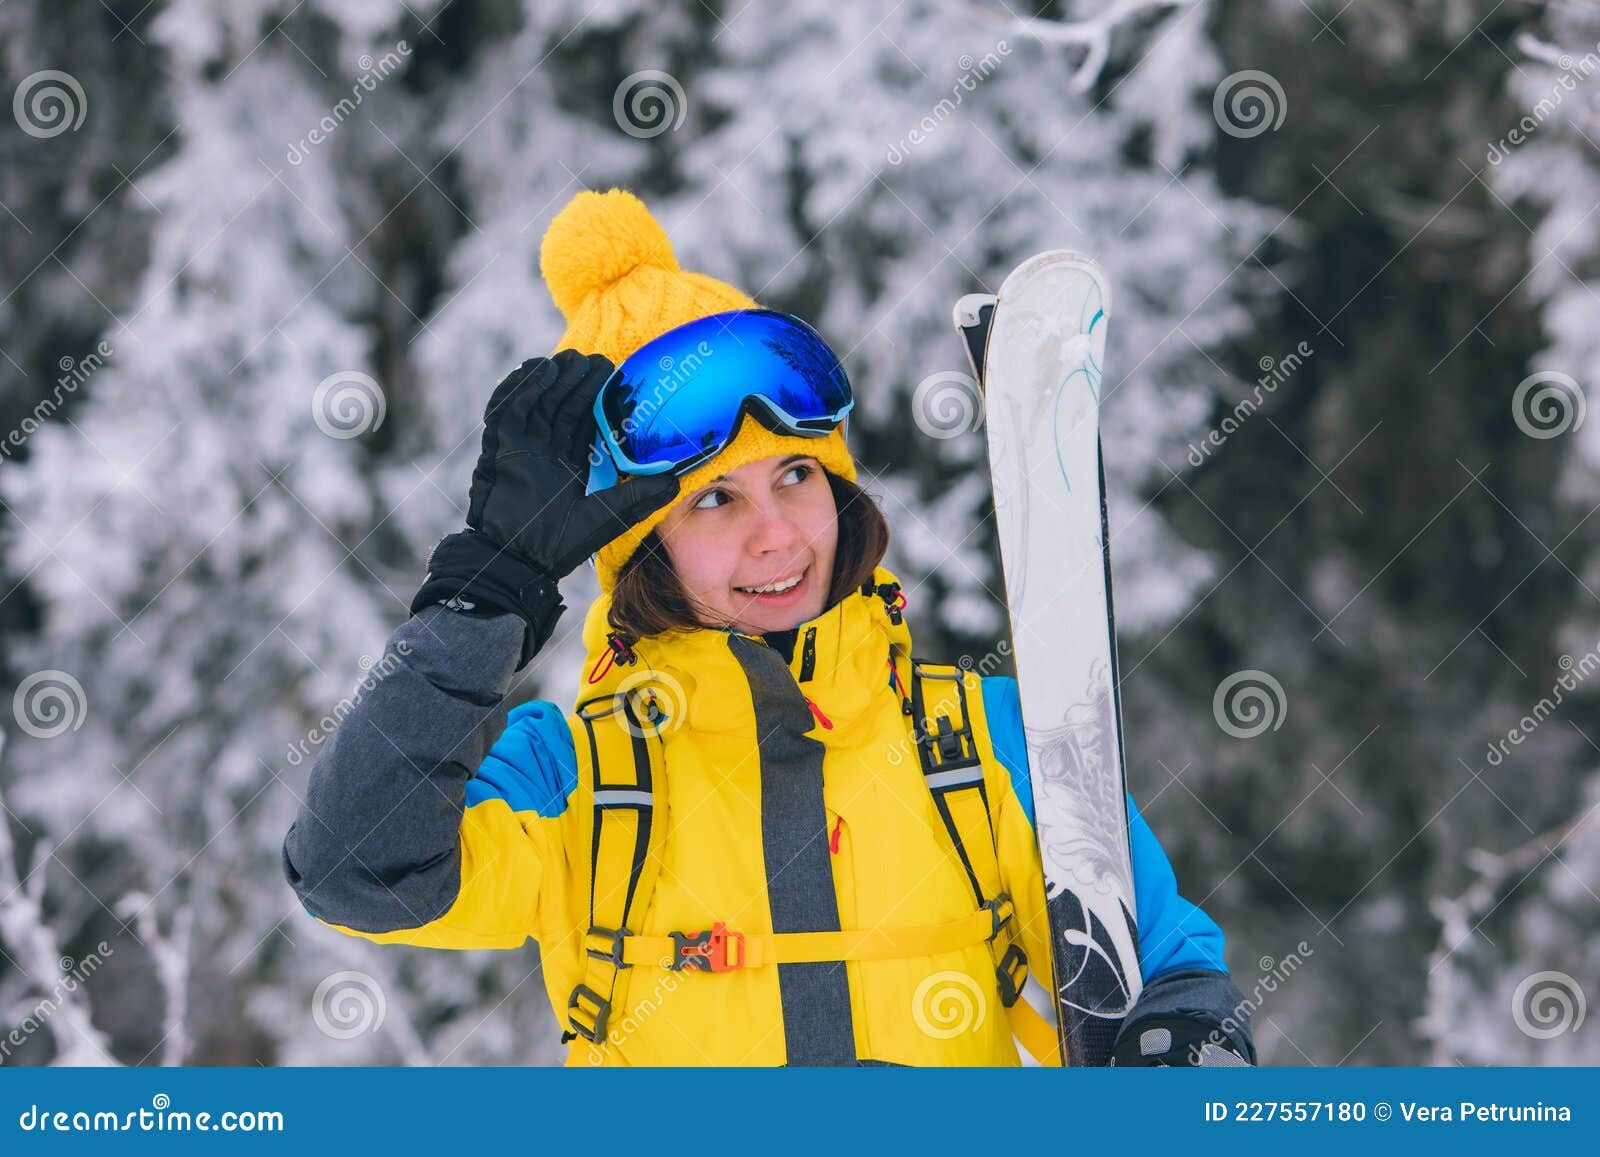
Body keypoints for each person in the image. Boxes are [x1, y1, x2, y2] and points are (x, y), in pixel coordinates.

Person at [281, 188, 1255, 1068]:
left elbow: (1166, 959)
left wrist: (1184, 1044)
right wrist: (490, 587)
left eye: (796, 475)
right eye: (714, 502)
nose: (778, 533)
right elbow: (355, 869)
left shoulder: (984, 741)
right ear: (641, 548)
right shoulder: (575, 778)